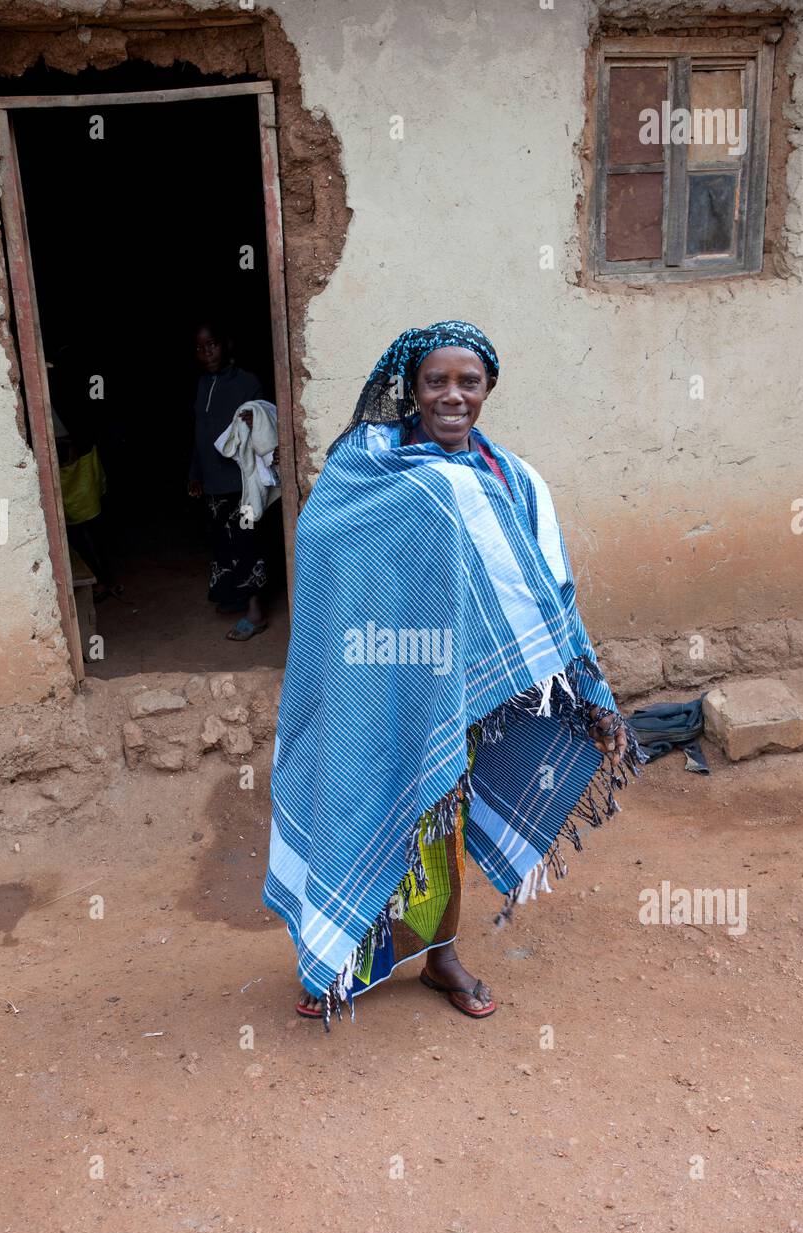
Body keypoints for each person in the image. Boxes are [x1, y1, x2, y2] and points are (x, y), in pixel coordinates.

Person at [264, 320, 643, 1028]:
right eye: (435, 381)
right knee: (352, 798)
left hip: (466, 694)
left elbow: (547, 597)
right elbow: (319, 544)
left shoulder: (515, 483)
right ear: (411, 387)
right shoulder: (367, 468)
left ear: (488, 388)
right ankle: (334, 959)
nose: (451, 396)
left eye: (468, 382)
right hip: (370, 684)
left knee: (439, 822)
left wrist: (592, 701)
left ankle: (441, 959)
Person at [188, 322, 268, 640]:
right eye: (200, 347)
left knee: (247, 543)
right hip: (213, 483)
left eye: (213, 344)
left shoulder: (247, 383)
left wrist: (255, 418)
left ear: (227, 345)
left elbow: (266, 421)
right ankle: (234, 597)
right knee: (223, 544)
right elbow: (199, 435)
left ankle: (256, 613)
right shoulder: (201, 385)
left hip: (242, 482)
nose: (207, 352)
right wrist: (195, 474)